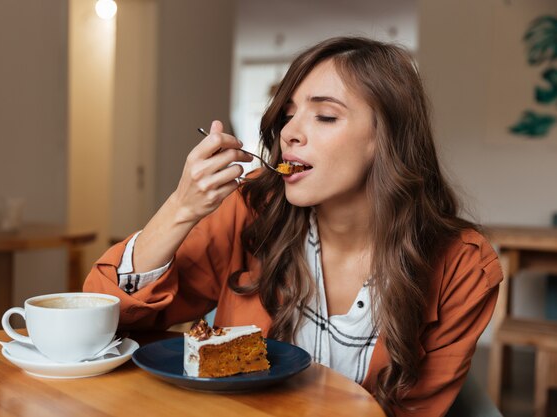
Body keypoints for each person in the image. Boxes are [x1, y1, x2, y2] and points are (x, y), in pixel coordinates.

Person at [84, 37, 502, 417]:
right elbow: (104, 322)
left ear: (388, 137)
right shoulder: (250, 211)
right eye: (287, 115)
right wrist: (179, 208)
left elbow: (414, 411)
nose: (289, 133)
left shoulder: (464, 267)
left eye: (324, 116)